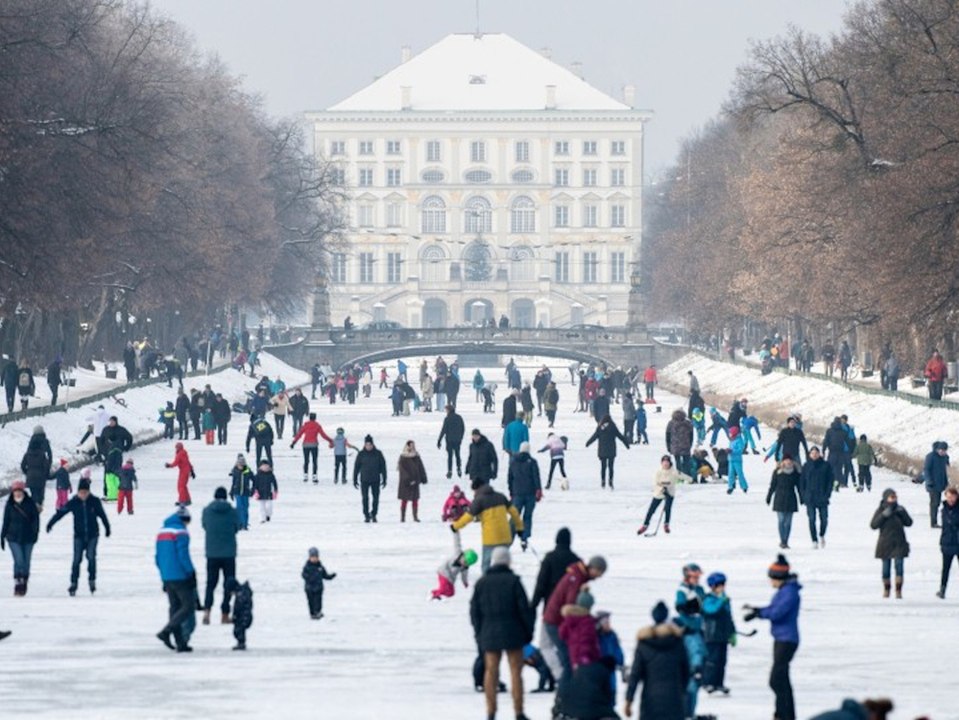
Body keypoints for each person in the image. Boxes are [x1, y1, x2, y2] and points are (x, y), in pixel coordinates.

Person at [469, 547, 534, 720]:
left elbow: (474, 611)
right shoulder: (514, 581)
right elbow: (524, 610)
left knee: (490, 672)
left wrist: (479, 633)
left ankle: (491, 712)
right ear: (508, 561)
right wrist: (528, 633)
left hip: (489, 633)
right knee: (515, 673)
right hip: (514, 633)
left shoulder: (482, 583)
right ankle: (519, 711)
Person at [743, 554, 802, 720]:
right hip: (782, 639)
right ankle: (783, 714)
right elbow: (774, 608)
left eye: (772, 578)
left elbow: (777, 612)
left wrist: (759, 613)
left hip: (787, 640)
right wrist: (757, 611)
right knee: (781, 679)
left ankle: (785, 714)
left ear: (779, 577)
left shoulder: (789, 592)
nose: (770, 582)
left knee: (777, 679)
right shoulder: (786, 590)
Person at [542, 556, 608, 694]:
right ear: (593, 568)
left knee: (564, 653)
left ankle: (566, 686)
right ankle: (564, 688)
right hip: (555, 620)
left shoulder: (578, 576)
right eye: (600, 572)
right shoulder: (576, 579)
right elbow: (571, 605)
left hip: (554, 618)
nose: (599, 576)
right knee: (567, 656)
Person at [623, 601, 689, 720]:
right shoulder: (677, 642)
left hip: (651, 700)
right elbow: (686, 671)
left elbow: (635, 674)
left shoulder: (644, 644)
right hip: (674, 699)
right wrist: (682, 691)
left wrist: (629, 700)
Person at [46, 477, 111, 595]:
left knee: (91, 557)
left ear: (89, 492)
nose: (83, 495)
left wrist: (107, 528)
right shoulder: (74, 502)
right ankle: (73, 583)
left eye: (85, 492)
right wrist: (51, 523)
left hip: (93, 535)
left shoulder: (94, 501)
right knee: (77, 559)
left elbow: (102, 515)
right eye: (81, 492)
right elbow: (61, 513)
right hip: (79, 536)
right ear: (78, 492)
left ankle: (92, 580)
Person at [452, 483, 524, 572]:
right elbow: (514, 512)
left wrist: (455, 526)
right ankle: (504, 581)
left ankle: (487, 583)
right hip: (505, 537)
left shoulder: (479, 500)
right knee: (502, 563)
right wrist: (520, 528)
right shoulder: (501, 496)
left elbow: (468, 517)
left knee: (486, 564)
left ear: (476, 489)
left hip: (491, 539)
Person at [156, 505, 197, 653]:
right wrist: (191, 573)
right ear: (184, 520)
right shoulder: (180, 532)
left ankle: (180, 644)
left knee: (175, 608)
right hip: (179, 575)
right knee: (187, 606)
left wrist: (163, 576)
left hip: (167, 575)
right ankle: (167, 631)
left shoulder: (162, 531)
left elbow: (157, 557)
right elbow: (183, 555)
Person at [201, 487, 240, 624]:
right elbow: (237, 527)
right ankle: (225, 614)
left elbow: (205, 526)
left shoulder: (207, 511)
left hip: (212, 553)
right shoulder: (232, 512)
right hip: (229, 553)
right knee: (228, 584)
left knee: (210, 584)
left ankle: (207, 612)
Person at [675, 563, 706, 719]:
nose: (697, 580)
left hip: (700, 631)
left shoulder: (699, 590)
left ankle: (690, 711)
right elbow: (680, 608)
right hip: (689, 632)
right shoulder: (683, 590)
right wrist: (686, 608)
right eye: (694, 577)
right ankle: (686, 712)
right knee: (691, 675)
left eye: (698, 577)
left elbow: (705, 605)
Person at [870, 489, 912, 599]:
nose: (893, 499)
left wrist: (902, 513)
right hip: (885, 543)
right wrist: (883, 515)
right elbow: (873, 525)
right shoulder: (881, 510)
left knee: (899, 566)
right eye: (891, 497)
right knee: (886, 568)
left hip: (899, 542)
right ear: (886, 498)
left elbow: (909, 523)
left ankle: (898, 590)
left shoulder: (900, 509)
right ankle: (886, 589)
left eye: (895, 497)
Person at [1, 481, 40, 596]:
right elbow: (6, 521)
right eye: (15, 492)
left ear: (23, 492)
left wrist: (35, 533)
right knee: (19, 560)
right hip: (13, 537)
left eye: (19, 491)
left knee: (26, 561)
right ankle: (18, 581)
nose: (17, 494)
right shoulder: (10, 505)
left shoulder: (30, 504)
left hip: (28, 537)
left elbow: (35, 520)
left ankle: (24, 580)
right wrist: (2, 536)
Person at [702, 572, 737, 695]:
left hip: (723, 635)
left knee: (722, 660)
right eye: (719, 585)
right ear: (713, 586)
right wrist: (721, 601)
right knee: (712, 660)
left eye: (723, 585)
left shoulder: (724, 599)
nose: (722, 587)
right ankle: (708, 682)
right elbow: (711, 611)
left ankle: (719, 683)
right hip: (712, 635)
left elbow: (728, 617)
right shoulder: (708, 599)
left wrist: (732, 633)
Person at [637, 456, 688, 535]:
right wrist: (662, 488)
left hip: (669, 493)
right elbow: (655, 482)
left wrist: (687, 479)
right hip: (659, 492)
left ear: (669, 463)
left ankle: (666, 524)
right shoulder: (658, 472)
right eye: (664, 462)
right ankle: (645, 525)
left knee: (667, 509)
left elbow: (684, 477)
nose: (665, 464)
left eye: (667, 462)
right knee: (651, 510)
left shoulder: (674, 472)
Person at [507, 441, 542, 547]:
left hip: (517, 493)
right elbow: (536, 477)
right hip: (530, 493)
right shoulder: (532, 462)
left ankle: (509, 536)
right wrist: (538, 490)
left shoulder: (513, 462)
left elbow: (510, 478)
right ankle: (524, 537)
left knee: (514, 515)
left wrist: (511, 491)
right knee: (527, 516)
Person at [800, 446, 833, 548]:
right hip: (810, 497)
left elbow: (830, 480)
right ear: (809, 455)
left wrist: (827, 493)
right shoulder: (806, 466)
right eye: (812, 453)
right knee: (811, 519)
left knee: (824, 519)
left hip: (822, 496)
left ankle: (822, 535)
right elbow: (802, 482)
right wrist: (803, 495)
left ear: (819, 454)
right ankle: (814, 540)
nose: (814, 455)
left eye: (816, 453)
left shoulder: (825, 465)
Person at [767, 455, 802, 549]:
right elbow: (772, 486)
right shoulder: (777, 472)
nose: (788, 462)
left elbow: (799, 487)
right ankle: (782, 540)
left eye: (790, 461)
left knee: (788, 522)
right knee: (781, 520)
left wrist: (802, 498)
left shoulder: (795, 473)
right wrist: (769, 497)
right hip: (779, 498)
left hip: (791, 497)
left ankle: (785, 540)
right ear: (783, 462)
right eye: (786, 461)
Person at [586, 414, 629, 490]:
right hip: (611, 450)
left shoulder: (600, 428)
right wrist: (626, 444)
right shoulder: (613, 427)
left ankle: (603, 481)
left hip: (602, 450)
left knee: (603, 467)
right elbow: (620, 436)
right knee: (611, 467)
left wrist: (588, 443)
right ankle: (610, 480)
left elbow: (594, 436)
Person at [290, 412, 334, 484]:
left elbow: (299, 434)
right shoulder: (317, 425)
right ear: (315, 418)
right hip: (314, 445)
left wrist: (293, 443)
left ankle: (305, 476)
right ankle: (314, 476)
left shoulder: (305, 425)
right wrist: (330, 440)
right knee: (314, 461)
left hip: (306, 445)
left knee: (306, 461)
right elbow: (323, 435)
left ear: (309, 417)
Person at [431, 531, 476, 600]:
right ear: (463, 555)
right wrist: (456, 531)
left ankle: (436, 593)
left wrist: (465, 582)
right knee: (443, 589)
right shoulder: (458, 553)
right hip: (443, 573)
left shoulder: (464, 567)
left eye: (467, 563)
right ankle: (435, 595)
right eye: (464, 561)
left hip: (451, 579)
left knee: (451, 593)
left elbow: (464, 575)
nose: (464, 563)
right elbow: (457, 542)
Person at [353, 434, 387, 523]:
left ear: (373, 445)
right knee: (365, 498)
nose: (368, 446)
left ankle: (374, 513)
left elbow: (383, 466)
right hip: (364, 479)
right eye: (367, 445)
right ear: (364, 445)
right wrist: (355, 479)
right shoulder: (361, 454)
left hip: (375, 479)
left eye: (370, 445)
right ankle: (366, 515)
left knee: (375, 498)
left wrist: (384, 478)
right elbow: (356, 467)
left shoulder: (378, 453)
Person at [397, 439, 427, 522]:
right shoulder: (403, 457)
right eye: (411, 445)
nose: (412, 447)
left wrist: (423, 477)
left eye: (413, 445)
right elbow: (402, 470)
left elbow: (421, 467)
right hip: (405, 483)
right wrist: (408, 480)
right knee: (404, 500)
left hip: (416, 481)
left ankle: (415, 517)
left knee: (415, 499)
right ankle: (402, 518)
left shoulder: (416, 456)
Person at [21, 433, 52, 511]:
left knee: (33, 493)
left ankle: (33, 507)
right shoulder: (42, 455)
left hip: (30, 477)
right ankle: (37, 507)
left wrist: (27, 472)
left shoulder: (27, 454)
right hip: (40, 478)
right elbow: (46, 466)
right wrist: (46, 475)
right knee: (40, 495)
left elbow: (22, 465)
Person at [302, 546, 336, 619]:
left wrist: (331, 576)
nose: (314, 559)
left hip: (319, 587)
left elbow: (325, 575)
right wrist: (309, 578)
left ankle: (318, 612)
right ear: (309, 557)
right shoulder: (307, 566)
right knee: (311, 601)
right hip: (310, 588)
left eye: (316, 557)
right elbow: (304, 575)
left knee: (318, 601)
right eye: (312, 557)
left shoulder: (320, 566)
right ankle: (313, 613)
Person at [938, 486, 959, 598]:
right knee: (945, 568)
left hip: (957, 541)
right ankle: (942, 589)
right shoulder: (944, 509)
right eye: (949, 497)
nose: (951, 499)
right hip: (947, 543)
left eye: (953, 497)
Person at [924, 441, 950, 528]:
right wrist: (929, 481)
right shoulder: (930, 457)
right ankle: (933, 522)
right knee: (934, 503)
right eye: (941, 450)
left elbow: (944, 471)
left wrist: (946, 482)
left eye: (944, 450)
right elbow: (926, 470)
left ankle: (936, 521)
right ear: (937, 449)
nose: (942, 452)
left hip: (940, 484)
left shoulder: (944, 457)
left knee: (938, 503)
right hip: (932, 484)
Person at [437, 404, 465, 480]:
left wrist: (439, 440)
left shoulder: (447, 419)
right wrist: (461, 437)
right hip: (457, 440)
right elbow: (463, 428)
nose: (445, 411)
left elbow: (443, 430)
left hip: (449, 440)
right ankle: (459, 468)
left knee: (450, 456)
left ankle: (450, 471)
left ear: (449, 410)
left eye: (446, 410)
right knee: (457, 454)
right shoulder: (459, 418)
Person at [665, 409, 694, 479]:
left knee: (678, 462)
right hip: (686, 445)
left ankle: (679, 476)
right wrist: (690, 444)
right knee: (687, 462)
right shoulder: (688, 423)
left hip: (675, 446)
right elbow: (691, 435)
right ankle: (688, 476)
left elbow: (667, 435)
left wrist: (668, 446)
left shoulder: (671, 423)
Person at [229, 454, 254, 531]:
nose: (240, 466)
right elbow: (233, 482)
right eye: (239, 464)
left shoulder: (248, 471)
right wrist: (231, 491)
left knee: (245, 508)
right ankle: (239, 524)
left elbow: (254, 480)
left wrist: (252, 489)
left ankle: (245, 524)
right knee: (239, 508)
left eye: (241, 464)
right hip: (237, 492)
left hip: (246, 492)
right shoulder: (235, 471)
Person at [165, 442, 194, 506]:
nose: (176, 449)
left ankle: (182, 501)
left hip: (183, 472)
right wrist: (192, 470)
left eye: (176, 448)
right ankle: (187, 500)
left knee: (180, 486)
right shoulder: (184, 453)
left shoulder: (180, 454)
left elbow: (175, 463)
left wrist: (169, 465)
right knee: (184, 486)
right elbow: (188, 462)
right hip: (186, 471)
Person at [228, 578, 253, 650]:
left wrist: (235, 616)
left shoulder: (241, 594)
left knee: (239, 630)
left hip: (244, 616)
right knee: (239, 630)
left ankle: (241, 643)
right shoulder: (242, 592)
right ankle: (241, 643)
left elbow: (238, 607)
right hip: (244, 615)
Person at [727, 426, 748, 494]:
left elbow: (740, 450)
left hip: (737, 460)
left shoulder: (739, 440)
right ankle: (730, 486)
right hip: (731, 459)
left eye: (731, 433)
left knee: (740, 473)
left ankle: (744, 486)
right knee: (730, 474)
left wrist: (732, 451)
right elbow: (730, 448)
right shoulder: (731, 440)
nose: (730, 434)